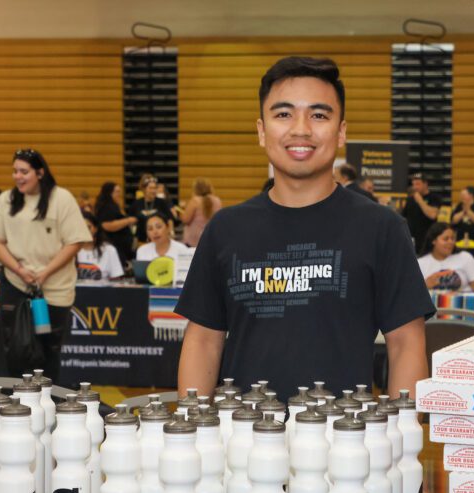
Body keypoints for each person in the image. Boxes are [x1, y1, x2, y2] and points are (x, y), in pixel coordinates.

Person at [174, 55, 435, 409]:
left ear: (341, 131)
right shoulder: (226, 228)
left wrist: (397, 441)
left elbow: (405, 343)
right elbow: (203, 340)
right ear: (262, 130)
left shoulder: (381, 227)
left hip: (347, 446)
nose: (300, 129)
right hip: (243, 445)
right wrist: (195, 430)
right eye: (283, 114)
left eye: (319, 115)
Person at [0, 149, 91, 381]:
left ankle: (47, 403)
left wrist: (45, 273)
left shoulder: (61, 199)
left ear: (40, 173)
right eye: (15, 171)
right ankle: (15, 403)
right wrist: (19, 270)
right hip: (15, 285)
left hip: (53, 289)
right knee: (14, 348)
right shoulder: (6, 200)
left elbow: (74, 241)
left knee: (48, 350)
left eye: (24, 171)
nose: (18, 177)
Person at [418, 222, 474, 292]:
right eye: (446, 239)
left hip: (462, 302)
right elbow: (412, 292)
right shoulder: (420, 263)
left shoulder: (465, 257)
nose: (450, 242)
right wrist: (425, 285)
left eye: (452, 239)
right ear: (433, 241)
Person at [93, 181, 136, 265]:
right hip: (114, 245)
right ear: (109, 193)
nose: (119, 194)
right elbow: (107, 225)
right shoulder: (106, 206)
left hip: (121, 246)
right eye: (116, 192)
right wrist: (128, 220)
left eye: (119, 192)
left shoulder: (113, 205)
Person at [401, 173, 443, 250]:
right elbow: (404, 217)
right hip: (412, 239)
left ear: (425, 184)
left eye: (418, 184)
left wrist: (420, 200)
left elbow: (432, 215)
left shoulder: (434, 198)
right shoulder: (410, 199)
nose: (415, 187)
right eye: (413, 184)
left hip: (427, 239)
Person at [77, 212, 124, 281]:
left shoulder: (109, 250)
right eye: (80, 228)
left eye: (88, 227)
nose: (85, 232)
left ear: (96, 229)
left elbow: (117, 280)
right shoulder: (69, 250)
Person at [131, 175, 175, 243]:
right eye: (150, 188)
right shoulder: (136, 204)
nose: (153, 191)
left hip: (159, 240)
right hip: (142, 241)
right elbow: (132, 221)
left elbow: (169, 219)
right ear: (144, 189)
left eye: (155, 188)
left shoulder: (162, 202)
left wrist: (171, 232)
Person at [181, 178, 222, 247]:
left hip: (194, 240)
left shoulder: (195, 201)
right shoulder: (217, 200)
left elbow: (186, 220)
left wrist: (181, 211)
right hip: (211, 237)